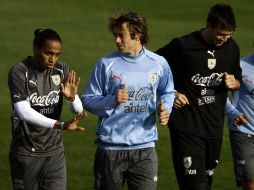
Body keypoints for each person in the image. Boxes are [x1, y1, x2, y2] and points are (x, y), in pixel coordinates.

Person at [82, 12, 175, 190]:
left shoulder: (158, 63)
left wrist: (166, 109)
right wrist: (112, 101)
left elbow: (167, 91)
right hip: (110, 149)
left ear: (137, 34)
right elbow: (88, 99)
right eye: (114, 35)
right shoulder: (106, 64)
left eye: (121, 35)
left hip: (145, 148)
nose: (116, 40)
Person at [156, 3, 241, 190]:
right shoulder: (183, 46)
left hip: (214, 128)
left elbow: (237, 78)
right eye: (221, 34)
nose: (224, 39)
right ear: (208, 25)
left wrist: (234, 83)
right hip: (186, 126)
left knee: (206, 184)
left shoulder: (232, 48)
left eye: (228, 36)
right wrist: (171, 93)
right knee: (196, 186)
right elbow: (151, 69)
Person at [8, 28, 85, 190]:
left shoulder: (61, 69)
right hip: (26, 153)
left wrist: (71, 98)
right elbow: (23, 112)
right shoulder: (20, 71)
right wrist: (60, 125)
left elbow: (78, 110)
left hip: (55, 154)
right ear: (35, 48)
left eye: (57, 54)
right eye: (48, 53)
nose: (53, 59)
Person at [225, 52, 254, 190]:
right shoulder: (240, 66)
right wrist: (232, 113)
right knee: (250, 183)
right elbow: (219, 93)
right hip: (243, 132)